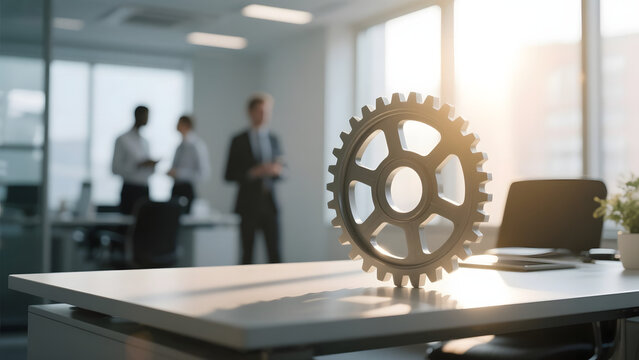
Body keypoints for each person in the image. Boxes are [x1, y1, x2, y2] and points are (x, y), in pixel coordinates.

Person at [225, 93, 283, 264]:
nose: (264, 115)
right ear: (250, 112)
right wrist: (253, 173)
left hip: (270, 205)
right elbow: (228, 174)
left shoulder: (274, 139)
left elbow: (284, 169)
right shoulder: (238, 140)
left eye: (267, 111)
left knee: (275, 254)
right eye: (260, 111)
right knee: (247, 255)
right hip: (247, 206)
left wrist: (276, 170)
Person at [112, 105, 158, 214]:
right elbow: (115, 169)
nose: (147, 119)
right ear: (137, 116)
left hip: (145, 190)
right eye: (145, 115)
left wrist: (151, 166)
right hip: (130, 190)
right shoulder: (122, 139)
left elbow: (149, 172)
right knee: (128, 225)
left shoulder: (145, 142)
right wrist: (137, 166)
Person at [167, 115, 210, 213]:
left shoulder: (197, 146)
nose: (176, 125)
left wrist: (179, 173)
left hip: (188, 189)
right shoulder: (179, 146)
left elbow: (203, 173)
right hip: (176, 189)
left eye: (179, 122)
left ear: (187, 125)